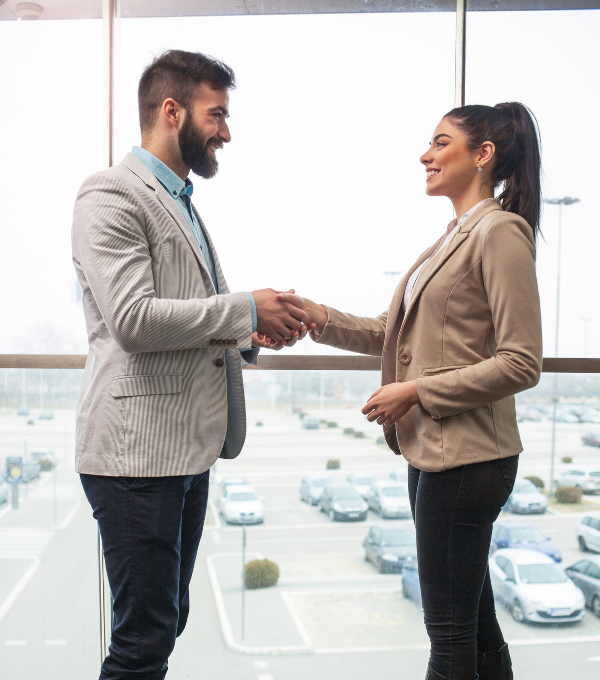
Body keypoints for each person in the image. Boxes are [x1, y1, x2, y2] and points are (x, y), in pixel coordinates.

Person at [278, 102, 543, 680]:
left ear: (483, 155)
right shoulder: (453, 237)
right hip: (437, 455)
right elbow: (387, 333)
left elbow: (522, 362)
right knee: (475, 625)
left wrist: (418, 392)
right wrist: (317, 315)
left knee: (449, 639)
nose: (425, 154)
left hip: (470, 459)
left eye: (440, 142)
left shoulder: (500, 232)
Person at [72, 50, 311, 680]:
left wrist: (256, 328)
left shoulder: (181, 199)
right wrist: (242, 311)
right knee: (143, 639)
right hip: (135, 458)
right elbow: (135, 320)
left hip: (184, 452)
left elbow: (200, 312)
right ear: (171, 111)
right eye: (218, 114)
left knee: (165, 621)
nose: (226, 131)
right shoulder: (111, 193)